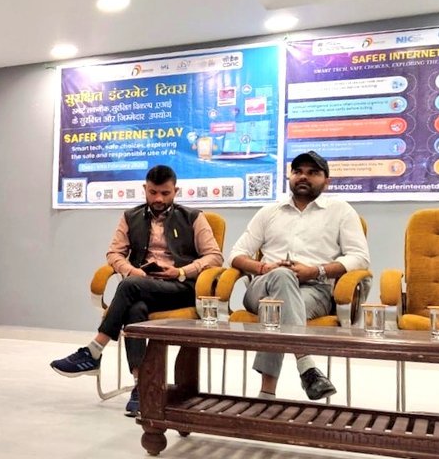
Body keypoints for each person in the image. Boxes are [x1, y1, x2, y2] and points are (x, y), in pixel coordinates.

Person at [50, 165, 223, 416]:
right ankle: (141, 386)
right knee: (134, 309)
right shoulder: (130, 217)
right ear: (145, 189)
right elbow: (114, 253)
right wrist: (133, 270)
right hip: (143, 287)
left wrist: (181, 271)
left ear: (175, 191)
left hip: (180, 287)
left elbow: (215, 257)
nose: (158, 199)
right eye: (153, 192)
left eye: (165, 193)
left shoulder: (194, 217)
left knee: (129, 286)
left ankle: (94, 350)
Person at [228, 151, 369, 401]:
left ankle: (266, 394)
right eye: (298, 171)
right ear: (290, 177)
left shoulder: (341, 211)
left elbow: (359, 257)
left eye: (312, 172)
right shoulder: (269, 212)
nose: (303, 176)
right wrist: (264, 268)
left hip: (315, 290)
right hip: (262, 285)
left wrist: (317, 270)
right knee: (282, 276)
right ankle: (306, 364)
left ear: (327, 181)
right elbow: (236, 254)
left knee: (274, 309)